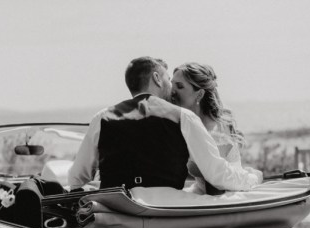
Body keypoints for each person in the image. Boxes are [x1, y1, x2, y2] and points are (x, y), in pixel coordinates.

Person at [67, 56, 261, 192]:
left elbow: (76, 178)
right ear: (157, 78)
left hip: (117, 209)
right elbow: (216, 173)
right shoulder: (182, 117)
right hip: (165, 211)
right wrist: (253, 177)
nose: (172, 89)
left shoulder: (102, 117)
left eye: (179, 85)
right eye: (169, 79)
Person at [169, 62, 260, 194]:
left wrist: (254, 177)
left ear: (199, 95)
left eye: (179, 86)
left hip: (223, 197)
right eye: (171, 84)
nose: (172, 91)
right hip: (203, 192)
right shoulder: (188, 123)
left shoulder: (215, 131)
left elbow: (217, 184)